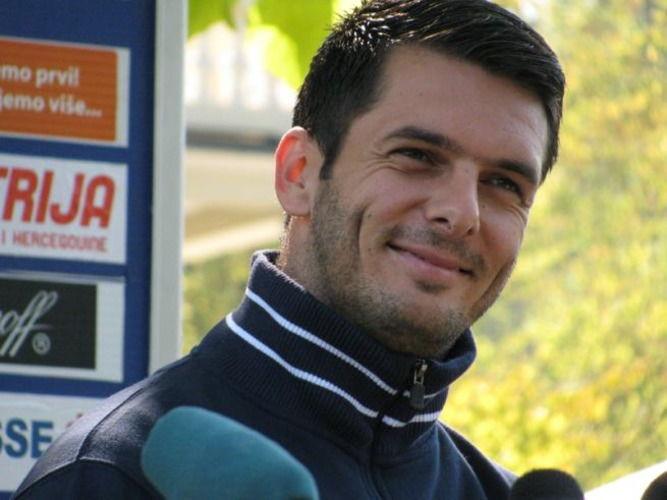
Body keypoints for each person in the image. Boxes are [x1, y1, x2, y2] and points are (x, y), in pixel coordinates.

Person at [13, 0, 565, 498]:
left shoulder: (496, 492)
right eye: (417, 155)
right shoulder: (115, 474)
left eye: (504, 184)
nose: (462, 213)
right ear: (298, 173)